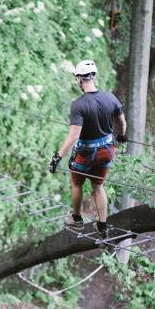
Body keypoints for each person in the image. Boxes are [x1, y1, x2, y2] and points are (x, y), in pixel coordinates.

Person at [49, 59, 127, 237]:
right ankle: (102, 225)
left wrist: (57, 157)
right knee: (98, 186)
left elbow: (74, 136)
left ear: (79, 79)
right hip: (107, 152)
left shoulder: (79, 104)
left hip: (86, 155)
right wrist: (121, 137)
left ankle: (76, 219)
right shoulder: (110, 98)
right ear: (94, 76)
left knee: (77, 184)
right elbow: (122, 123)